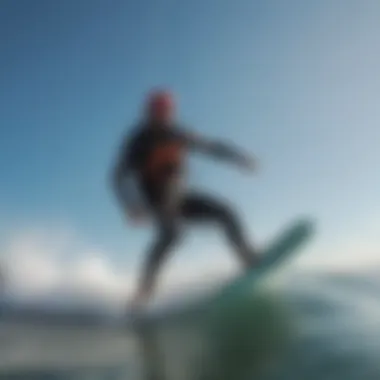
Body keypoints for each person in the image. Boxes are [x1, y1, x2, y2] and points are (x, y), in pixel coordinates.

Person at [111, 88, 259, 310]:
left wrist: (239, 157)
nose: (162, 114)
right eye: (157, 110)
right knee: (172, 234)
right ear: (148, 112)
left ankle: (247, 258)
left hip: (178, 197)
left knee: (226, 212)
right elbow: (118, 176)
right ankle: (144, 291)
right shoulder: (139, 140)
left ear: (171, 111)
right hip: (155, 200)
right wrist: (131, 205)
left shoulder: (179, 134)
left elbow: (212, 147)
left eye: (166, 110)